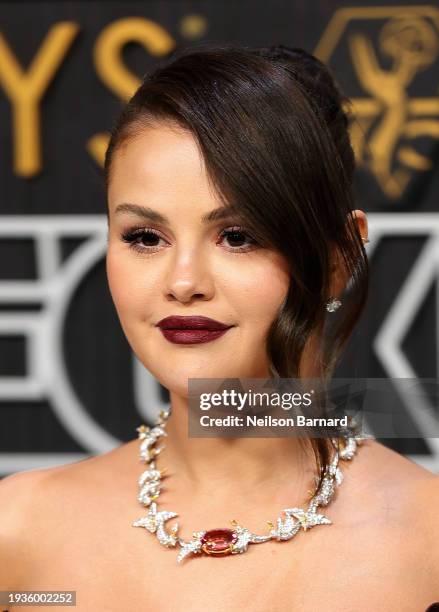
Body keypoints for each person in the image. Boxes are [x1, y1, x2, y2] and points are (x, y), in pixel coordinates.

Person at [1, 43, 438, 611]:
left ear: (339, 259)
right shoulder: (20, 531)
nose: (183, 282)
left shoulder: (427, 541)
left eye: (238, 236)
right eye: (145, 237)